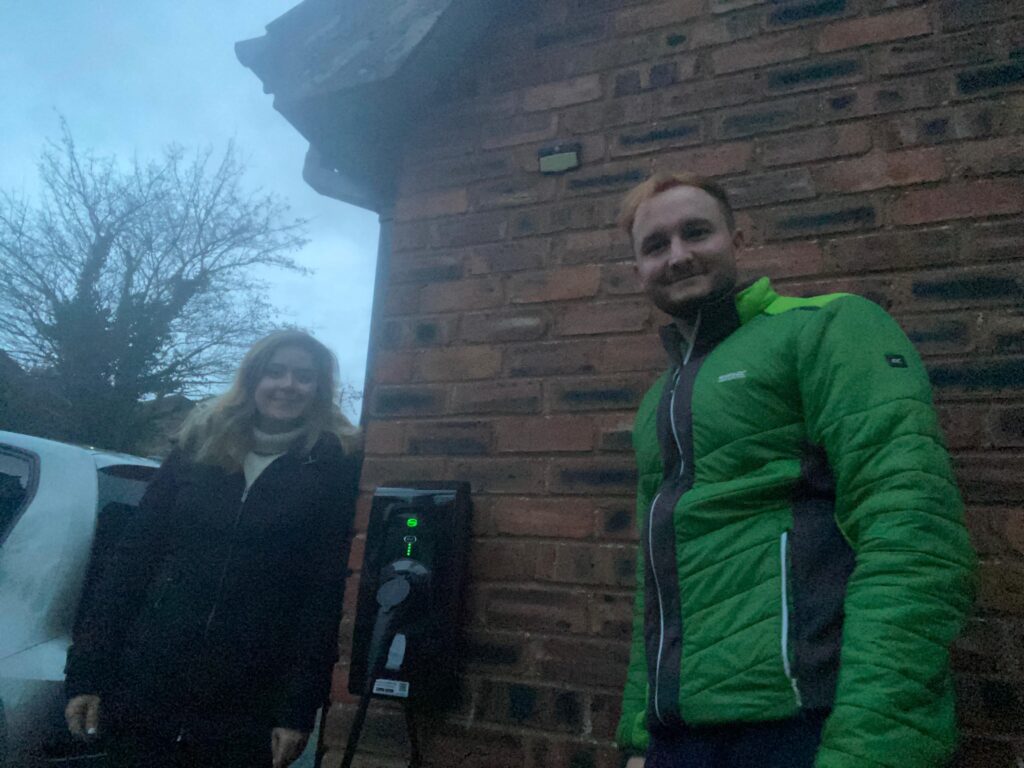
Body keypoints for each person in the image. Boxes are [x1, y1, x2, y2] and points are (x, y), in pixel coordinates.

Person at [614, 173, 975, 768]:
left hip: (805, 725)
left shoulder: (828, 327)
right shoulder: (660, 396)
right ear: (638, 271)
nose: (677, 255)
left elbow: (914, 535)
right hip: (681, 738)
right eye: (655, 245)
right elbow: (654, 578)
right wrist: (638, 734)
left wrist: (872, 745)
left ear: (738, 240)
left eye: (696, 232)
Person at [64, 329, 362, 768]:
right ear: (252, 379)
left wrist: (296, 709)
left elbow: (321, 598)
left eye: (304, 376)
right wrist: (87, 673)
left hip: (245, 704)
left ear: (319, 389)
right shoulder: (197, 449)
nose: (287, 385)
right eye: (275, 372)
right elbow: (131, 561)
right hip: (146, 684)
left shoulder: (334, 469)